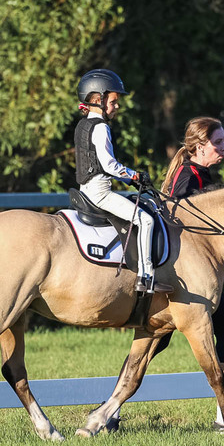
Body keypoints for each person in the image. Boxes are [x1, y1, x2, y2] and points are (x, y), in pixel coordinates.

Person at [108, 116, 224, 432]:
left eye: (223, 141)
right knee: (166, 341)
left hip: (192, 277)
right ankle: (222, 416)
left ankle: (111, 412)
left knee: (168, 341)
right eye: (218, 142)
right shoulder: (188, 177)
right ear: (199, 146)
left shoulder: (198, 174)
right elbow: (178, 224)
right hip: (185, 281)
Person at [75, 69, 172, 294]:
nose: (117, 106)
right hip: (100, 194)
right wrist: (134, 175)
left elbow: (97, 164)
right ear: (98, 100)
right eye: (113, 101)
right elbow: (109, 165)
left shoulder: (83, 125)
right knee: (146, 220)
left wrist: (128, 181)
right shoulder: (101, 128)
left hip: (84, 190)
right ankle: (146, 277)